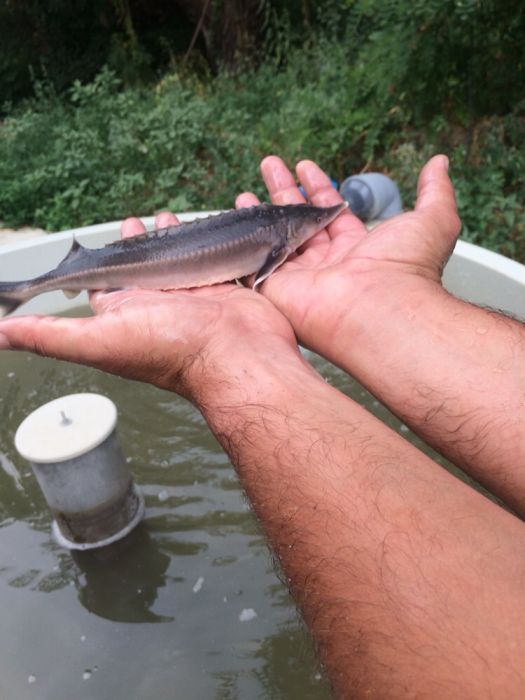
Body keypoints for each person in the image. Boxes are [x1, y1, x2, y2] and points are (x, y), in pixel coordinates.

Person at [1, 155, 524, 698]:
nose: (320, 223)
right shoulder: (279, 234)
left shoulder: (288, 229)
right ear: (289, 229)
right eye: (312, 221)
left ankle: (18, 291)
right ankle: (14, 292)